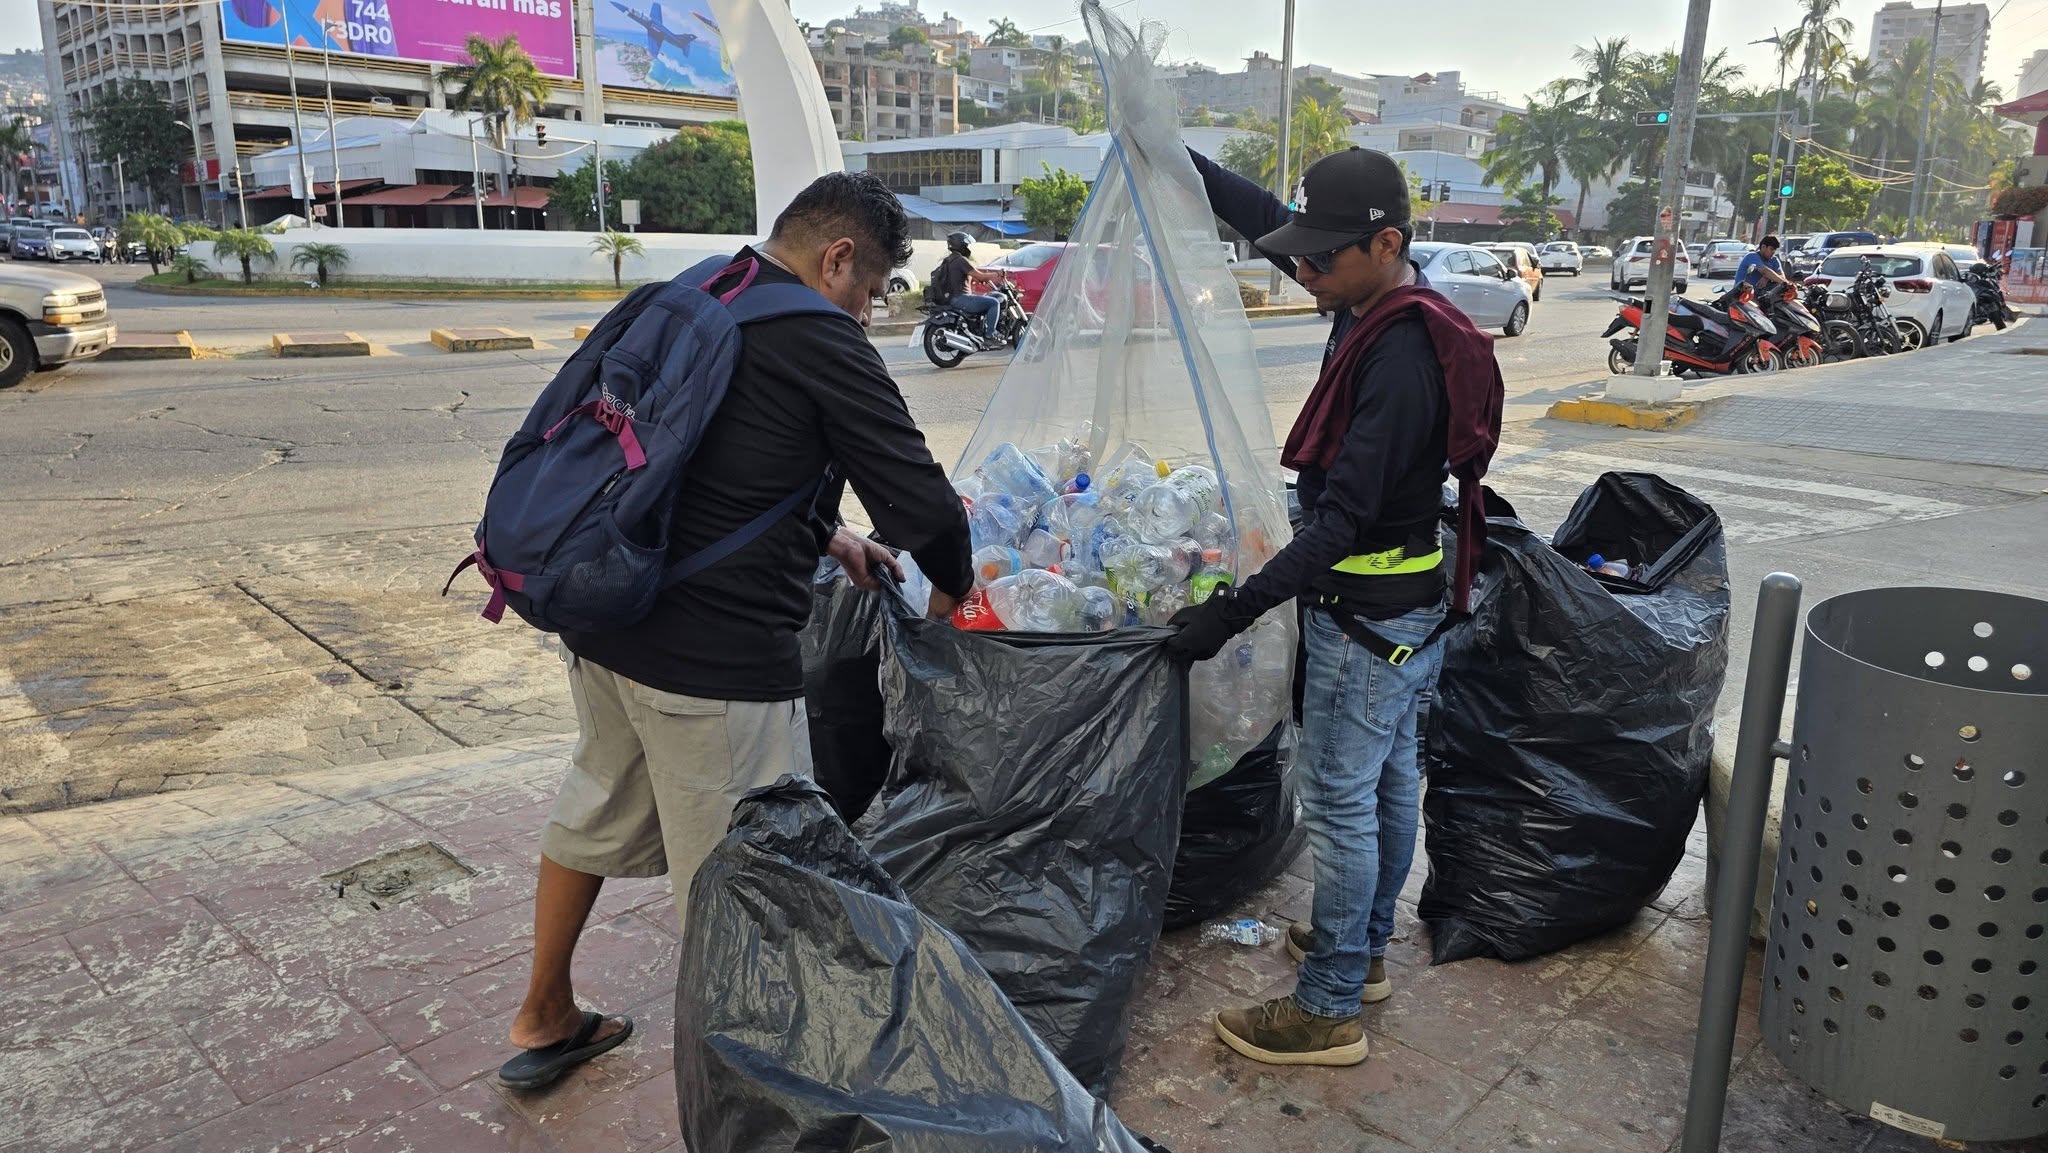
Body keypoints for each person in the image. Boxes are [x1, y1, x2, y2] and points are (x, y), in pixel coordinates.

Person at [494, 171, 976, 1091]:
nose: (870, 310)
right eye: (871, 288)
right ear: (837, 258)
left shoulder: (701, 290)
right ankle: (749, 1103)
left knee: (594, 802)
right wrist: (955, 594)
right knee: (746, 888)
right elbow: (922, 503)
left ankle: (544, 1009)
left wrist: (829, 534)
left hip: (607, 622)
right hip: (712, 666)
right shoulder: (819, 336)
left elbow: (710, 465)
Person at [1168, 145, 1502, 1067]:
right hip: (1409, 605)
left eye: (1320, 258)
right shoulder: (1375, 293)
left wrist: (1228, 614)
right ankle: (1359, 955)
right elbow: (1265, 213)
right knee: (1391, 781)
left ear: (1386, 242)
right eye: (1301, 255)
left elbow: (1341, 522)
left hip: (1366, 614)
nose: (1302, 270)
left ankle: (1327, 1006)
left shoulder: (1398, 357)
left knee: (1341, 802)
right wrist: (1173, 148)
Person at [929, 230, 1005, 345]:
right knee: (994, 303)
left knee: (985, 299)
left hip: (953, 298)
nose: (968, 247)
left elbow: (965, 277)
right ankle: (990, 334)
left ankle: (979, 330)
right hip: (961, 298)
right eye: (966, 245)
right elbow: (981, 276)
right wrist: (998, 274)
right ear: (961, 245)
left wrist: (977, 279)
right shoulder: (960, 260)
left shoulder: (949, 260)